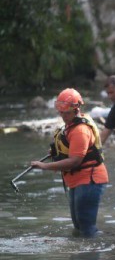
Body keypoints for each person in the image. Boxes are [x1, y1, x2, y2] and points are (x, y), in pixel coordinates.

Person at [31, 88, 109, 238]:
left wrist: (44, 166)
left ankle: (93, 256)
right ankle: (79, 258)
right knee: (78, 225)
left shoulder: (80, 130)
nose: (63, 116)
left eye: (66, 113)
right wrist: (58, 152)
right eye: (61, 112)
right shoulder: (70, 125)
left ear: (76, 109)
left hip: (89, 180)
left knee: (86, 226)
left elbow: (75, 160)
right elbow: (70, 150)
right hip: (76, 181)